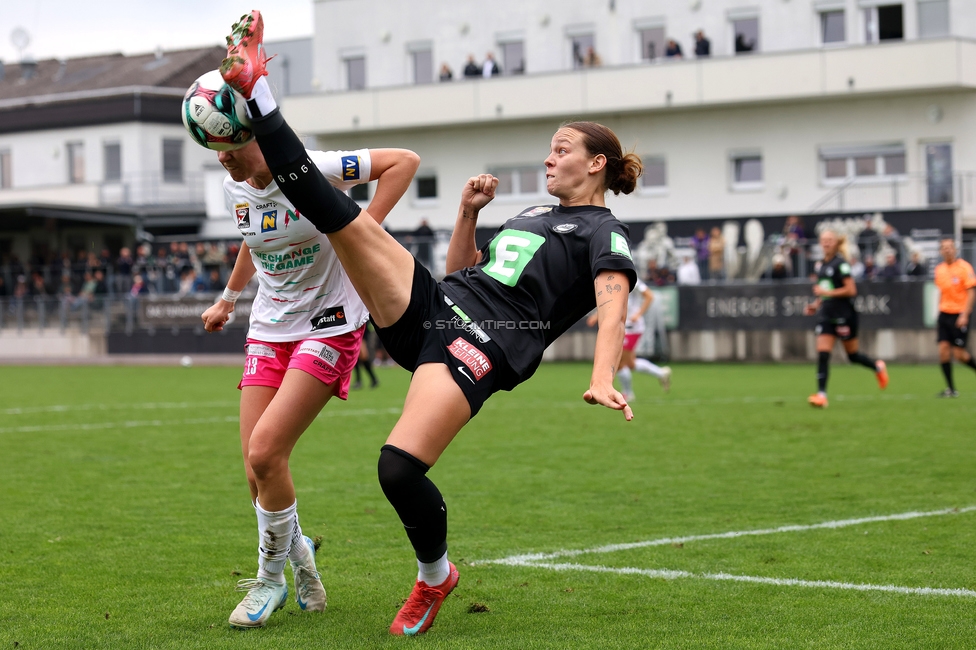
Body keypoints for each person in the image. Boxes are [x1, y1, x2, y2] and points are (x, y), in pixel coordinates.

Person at [219, 10, 640, 635]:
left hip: (484, 343)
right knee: (338, 216)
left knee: (396, 469)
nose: (549, 157)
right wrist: (468, 213)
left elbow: (613, 300)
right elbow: (464, 270)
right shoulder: (532, 214)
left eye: (562, 149)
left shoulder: (604, 231)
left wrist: (604, 375)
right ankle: (257, 89)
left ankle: (435, 576)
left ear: (597, 163)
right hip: (439, 305)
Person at [199, 85, 421, 627]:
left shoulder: (313, 168)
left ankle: (268, 581)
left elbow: (404, 162)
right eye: (216, 150)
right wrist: (228, 298)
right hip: (268, 328)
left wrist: (362, 231)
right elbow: (254, 236)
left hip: (330, 324)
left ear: (255, 135)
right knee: (256, 472)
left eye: (229, 147)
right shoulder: (233, 187)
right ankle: (300, 557)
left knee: (267, 451)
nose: (223, 159)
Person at [802, 230, 888, 408]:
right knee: (823, 353)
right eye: (823, 240)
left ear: (836, 243)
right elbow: (826, 290)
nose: (826, 243)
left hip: (844, 315)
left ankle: (877, 367)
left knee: (852, 356)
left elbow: (851, 290)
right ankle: (821, 395)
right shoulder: (820, 265)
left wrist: (826, 292)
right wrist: (816, 304)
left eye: (830, 240)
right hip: (826, 315)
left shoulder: (841, 264)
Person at [587, 279, 670, 399]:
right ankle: (661, 373)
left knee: (620, 362)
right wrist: (596, 316)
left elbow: (649, 296)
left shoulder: (632, 280)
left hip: (632, 327)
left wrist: (638, 314)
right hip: (623, 326)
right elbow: (612, 303)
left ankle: (628, 394)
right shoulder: (612, 280)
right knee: (630, 363)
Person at [933, 237, 976, 397]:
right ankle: (951, 389)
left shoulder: (964, 267)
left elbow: (971, 292)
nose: (947, 250)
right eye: (944, 247)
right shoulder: (939, 270)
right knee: (943, 351)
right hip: (944, 314)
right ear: (940, 251)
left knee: (960, 355)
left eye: (950, 247)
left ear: (955, 250)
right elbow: (941, 292)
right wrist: (938, 311)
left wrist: (965, 315)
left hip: (959, 314)